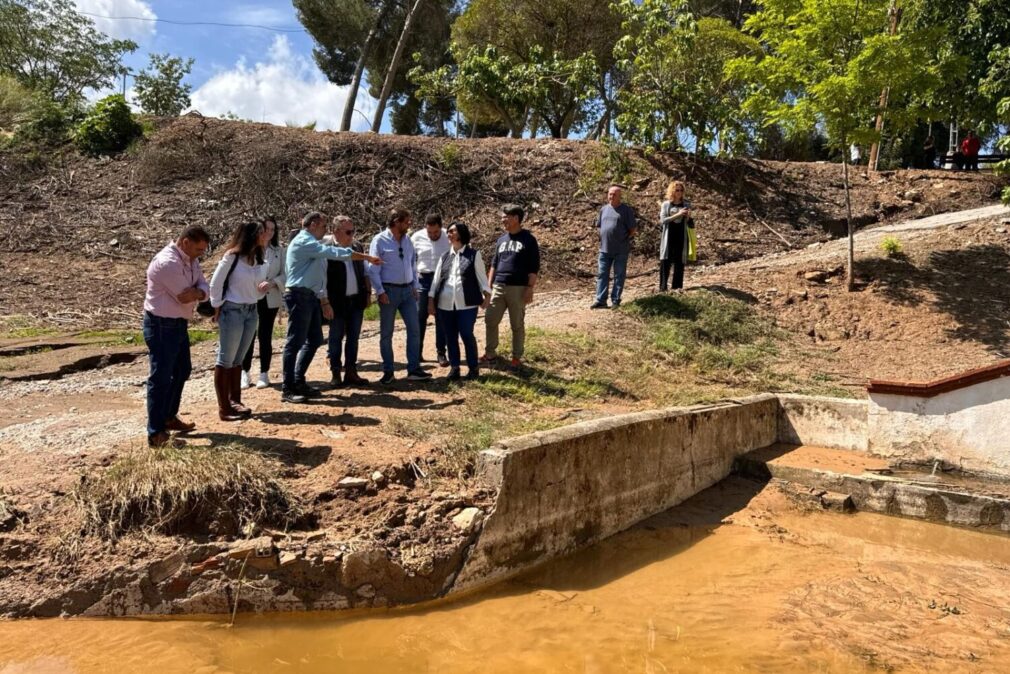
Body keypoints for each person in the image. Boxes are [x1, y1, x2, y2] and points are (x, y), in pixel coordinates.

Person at [282, 212, 381, 404]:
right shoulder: (305, 242)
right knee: (294, 342)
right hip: (299, 295)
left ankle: (298, 381)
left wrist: (321, 299)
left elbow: (318, 275)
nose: (325, 230)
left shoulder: (314, 245)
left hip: (308, 295)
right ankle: (288, 388)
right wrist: (366, 257)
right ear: (312, 225)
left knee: (314, 339)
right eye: (323, 226)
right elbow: (336, 253)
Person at [143, 225, 210, 448]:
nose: (201, 254)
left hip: (178, 323)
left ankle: (168, 417)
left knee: (182, 370)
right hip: (162, 325)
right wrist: (198, 293)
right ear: (185, 242)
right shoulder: (168, 263)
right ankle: (155, 432)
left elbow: (203, 286)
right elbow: (184, 297)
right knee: (160, 377)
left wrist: (199, 292)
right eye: (199, 249)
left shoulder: (190, 260)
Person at [209, 221, 269, 421]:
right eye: (261, 233)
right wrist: (217, 305)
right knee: (225, 359)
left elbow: (256, 292)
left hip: (251, 310)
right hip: (233, 310)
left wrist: (261, 291)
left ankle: (235, 401)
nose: (265, 236)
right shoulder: (232, 257)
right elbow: (216, 283)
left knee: (238, 359)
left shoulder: (258, 259)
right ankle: (224, 408)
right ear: (251, 235)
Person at [368, 207, 431, 384]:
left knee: (414, 329)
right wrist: (380, 292)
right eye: (406, 221)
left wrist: (414, 286)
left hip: (408, 291)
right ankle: (388, 371)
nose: (409, 224)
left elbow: (412, 264)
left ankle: (414, 369)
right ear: (396, 222)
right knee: (386, 333)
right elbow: (373, 269)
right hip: (388, 291)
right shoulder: (379, 240)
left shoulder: (408, 240)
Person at [428, 222, 491, 380]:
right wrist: (431, 300)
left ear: (461, 233)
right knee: (450, 336)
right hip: (445, 304)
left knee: (466, 334)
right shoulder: (445, 256)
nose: (449, 234)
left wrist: (487, 296)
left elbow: (482, 278)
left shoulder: (473, 255)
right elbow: (436, 281)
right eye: (448, 232)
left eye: (452, 231)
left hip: (467, 304)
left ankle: (473, 368)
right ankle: (455, 368)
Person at [482, 204, 540, 370]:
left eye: (506, 216)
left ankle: (516, 357)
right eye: (502, 217)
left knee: (517, 324)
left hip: (518, 288)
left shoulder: (529, 240)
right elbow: (494, 264)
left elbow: (534, 267)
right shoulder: (501, 239)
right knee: (490, 319)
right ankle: (490, 353)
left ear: (516, 218)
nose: (503, 220)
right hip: (499, 285)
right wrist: (488, 286)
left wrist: (530, 287)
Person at [324, 215, 371, 387]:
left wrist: (368, 293)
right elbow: (323, 278)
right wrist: (325, 302)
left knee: (353, 338)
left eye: (353, 231)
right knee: (335, 337)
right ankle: (336, 372)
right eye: (348, 232)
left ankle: (351, 371)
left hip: (356, 300)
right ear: (336, 231)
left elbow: (365, 272)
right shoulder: (326, 250)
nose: (352, 235)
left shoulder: (357, 246)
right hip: (337, 302)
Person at [241, 217, 285, 390]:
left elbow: (285, 274)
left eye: (273, 230)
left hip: (270, 297)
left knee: (265, 336)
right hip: (251, 296)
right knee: (248, 335)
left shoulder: (279, 251)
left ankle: (264, 373)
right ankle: (245, 372)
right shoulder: (248, 250)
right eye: (266, 229)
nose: (269, 233)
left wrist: (273, 283)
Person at [411, 212, 451, 366]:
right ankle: (417, 352)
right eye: (430, 232)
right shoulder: (416, 237)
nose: (433, 235)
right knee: (419, 317)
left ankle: (441, 353)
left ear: (441, 227)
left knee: (441, 318)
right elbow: (410, 259)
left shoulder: (449, 236)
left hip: (442, 279)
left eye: (436, 232)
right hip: (423, 279)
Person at [592, 184, 637, 309]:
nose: (611, 196)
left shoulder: (626, 210)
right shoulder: (603, 209)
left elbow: (632, 229)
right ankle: (601, 300)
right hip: (604, 249)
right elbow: (600, 226)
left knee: (619, 275)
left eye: (614, 194)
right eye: (610, 194)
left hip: (620, 250)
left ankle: (616, 300)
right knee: (602, 274)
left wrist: (622, 239)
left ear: (619, 196)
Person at [659, 181, 691, 292]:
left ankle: (677, 286)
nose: (679, 193)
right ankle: (663, 287)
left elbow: (688, 222)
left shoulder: (686, 204)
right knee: (665, 261)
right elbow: (663, 220)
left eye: (681, 190)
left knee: (679, 261)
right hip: (669, 236)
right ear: (672, 191)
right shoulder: (666, 204)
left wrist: (688, 217)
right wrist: (678, 214)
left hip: (681, 235)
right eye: (677, 190)